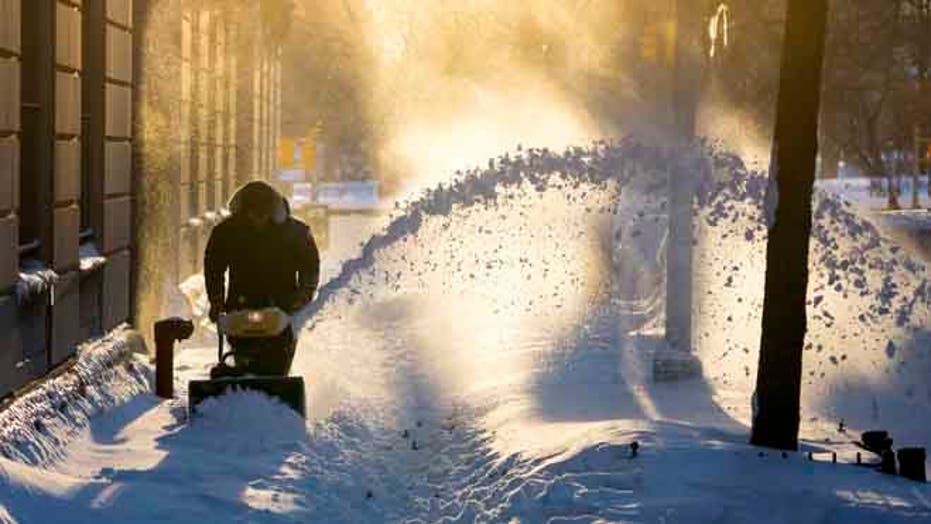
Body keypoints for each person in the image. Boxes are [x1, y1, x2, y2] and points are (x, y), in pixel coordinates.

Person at [204, 180, 320, 376]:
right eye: (252, 214)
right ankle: (245, 383)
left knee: (278, 358)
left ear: (272, 212)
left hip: (283, 307)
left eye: (262, 214)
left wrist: (302, 297)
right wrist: (216, 301)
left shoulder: (295, 233)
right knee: (243, 354)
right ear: (243, 212)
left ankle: (273, 387)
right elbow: (213, 267)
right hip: (240, 306)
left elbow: (310, 268)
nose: (257, 219)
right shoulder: (226, 232)